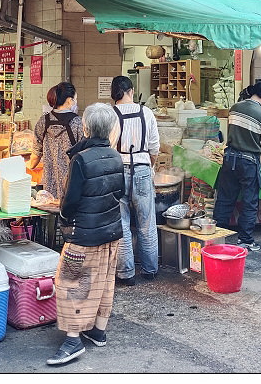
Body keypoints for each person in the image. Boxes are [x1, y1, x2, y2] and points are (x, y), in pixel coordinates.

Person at [47, 103, 125, 366]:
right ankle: (98, 330)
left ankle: (73, 340)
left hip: (84, 236)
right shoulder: (116, 156)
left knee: (70, 283)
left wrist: (65, 217)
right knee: (104, 281)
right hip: (112, 231)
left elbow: (70, 202)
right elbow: (120, 193)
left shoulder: (81, 159)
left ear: (88, 128)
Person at [213, 80, 261, 252]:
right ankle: (245, 240)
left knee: (225, 199)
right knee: (249, 202)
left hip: (229, 158)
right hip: (248, 161)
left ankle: (217, 237)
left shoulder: (236, 107)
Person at [109, 75, 160, 285]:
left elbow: (107, 146)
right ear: (130, 91)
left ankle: (126, 274)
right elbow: (154, 147)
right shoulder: (146, 113)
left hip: (117, 170)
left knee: (121, 223)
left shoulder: (110, 115)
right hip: (142, 168)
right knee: (146, 222)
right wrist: (150, 164)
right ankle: (150, 270)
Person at [28, 82, 84, 202]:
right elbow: (84, 153)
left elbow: (35, 154)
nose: (75, 103)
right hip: (71, 181)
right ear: (69, 101)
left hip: (49, 182)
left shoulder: (43, 121)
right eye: (75, 99)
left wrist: (28, 167)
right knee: (67, 213)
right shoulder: (78, 123)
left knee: (50, 213)